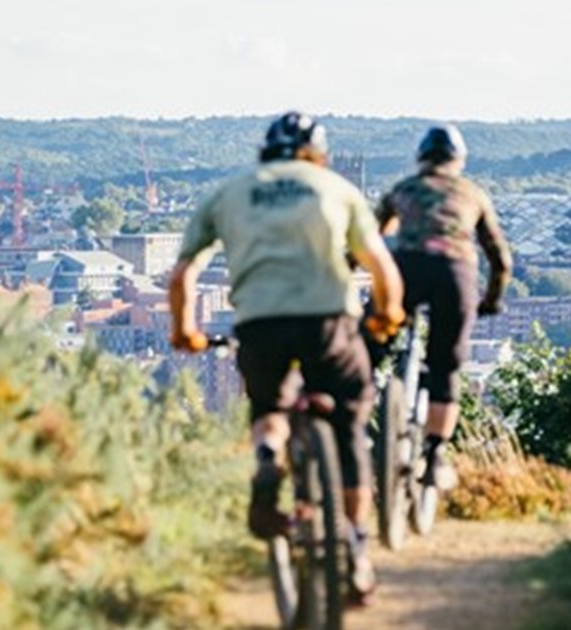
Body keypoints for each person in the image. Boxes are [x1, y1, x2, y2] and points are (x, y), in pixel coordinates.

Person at [168, 111, 404, 602]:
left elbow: (182, 276)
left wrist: (185, 331)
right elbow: (381, 266)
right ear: (317, 154)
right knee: (349, 429)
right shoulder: (334, 187)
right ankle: (356, 550)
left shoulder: (230, 192)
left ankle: (267, 459)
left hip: (259, 323)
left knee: (270, 409)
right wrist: (386, 315)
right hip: (328, 322)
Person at [369, 124, 513, 488]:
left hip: (407, 271)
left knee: (370, 342)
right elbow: (499, 259)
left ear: (421, 159)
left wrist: (347, 271)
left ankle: (358, 403)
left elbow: (370, 240)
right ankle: (434, 455)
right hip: (455, 274)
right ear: (458, 161)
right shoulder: (472, 195)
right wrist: (491, 300)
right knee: (445, 365)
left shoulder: (402, 190)